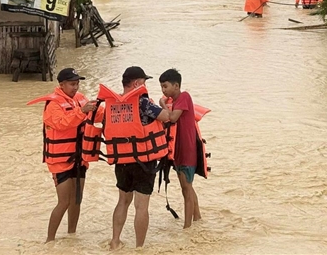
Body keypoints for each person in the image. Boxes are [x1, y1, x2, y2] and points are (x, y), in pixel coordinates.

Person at [26, 68, 102, 243]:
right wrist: (81, 111)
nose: (76, 87)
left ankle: (71, 235)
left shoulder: (80, 99)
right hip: (60, 161)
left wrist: (108, 108)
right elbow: (62, 123)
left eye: (77, 84)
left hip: (79, 158)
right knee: (64, 201)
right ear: (61, 85)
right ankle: (49, 240)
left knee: (77, 199)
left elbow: (97, 115)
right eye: (72, 84)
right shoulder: (52, 105)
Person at [99, 66, 171, 250]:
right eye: (144, 81)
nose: (145, 85)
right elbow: (166, 117)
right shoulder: (142, 102)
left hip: (121, 159)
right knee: (141, 206)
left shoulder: (112, 105)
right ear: (137, 83)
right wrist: (164, 104)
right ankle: (139, 248)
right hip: (144, 161)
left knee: (123, 200)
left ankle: (115, 241)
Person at [158, 69, 202, 229]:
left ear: (176, 86)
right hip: (178, 150)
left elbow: (172, 117)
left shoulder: (184, 97)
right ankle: (197, 218)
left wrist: (162, 105)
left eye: (165, 86)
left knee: (186, 188)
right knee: (188, 186)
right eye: (161, 87)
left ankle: (187, 227)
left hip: (186, 150)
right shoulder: (176, 101)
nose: (163, 90)